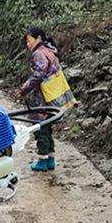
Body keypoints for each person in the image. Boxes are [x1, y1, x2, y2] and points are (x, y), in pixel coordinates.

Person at [16, 27, 76, 171]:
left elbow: (38, 75)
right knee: (47, 127)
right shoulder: (50, 51)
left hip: (42, 98)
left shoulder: (39, 54)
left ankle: (42, 161)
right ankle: (50, 159)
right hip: (52, 97)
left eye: (28, 40)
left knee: (40, 128)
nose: (27, 44)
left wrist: (23, 90)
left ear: (38, 39)